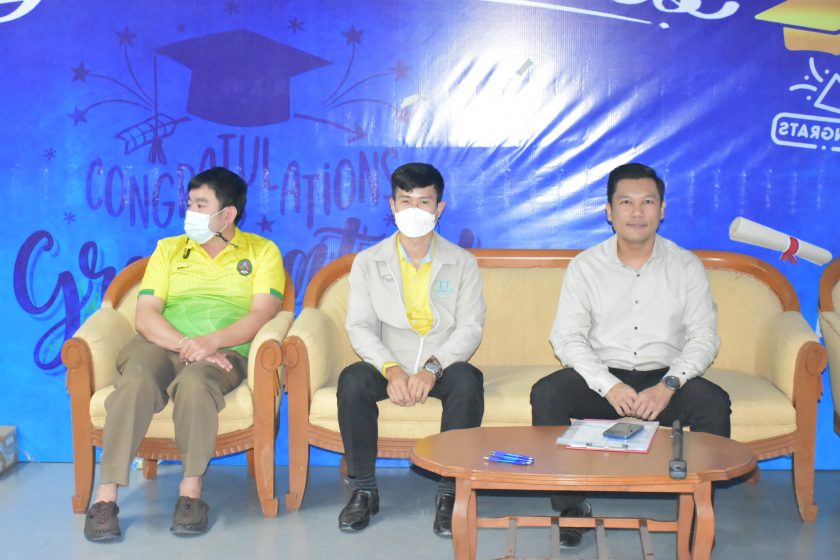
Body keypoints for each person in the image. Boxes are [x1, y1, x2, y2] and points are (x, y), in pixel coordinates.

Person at [530, 162, 731, 548]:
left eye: (647, 202)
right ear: (609, 211)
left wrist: (669, 384)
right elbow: (567, 338)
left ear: (662, 209)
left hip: (665, 378)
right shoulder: (585, 266)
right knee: (548, 393)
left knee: (714, 403)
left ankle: (698, 509)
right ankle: (571, 508)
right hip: (604, 378)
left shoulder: (686, 266)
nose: (637, 212)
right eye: (626, 202)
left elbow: (704, 337)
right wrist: (608, 384)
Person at [83, 167, 285, 541]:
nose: (190, 212)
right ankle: (105, 497)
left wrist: (212, 343)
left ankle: (190, 493)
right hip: (161, 345)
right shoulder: (169, 249)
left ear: (228, 214)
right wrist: (187, 344)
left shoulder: (262, 252)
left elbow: (263, 314)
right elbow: (146, 315)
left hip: (225, 353)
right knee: (136, 380)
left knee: (195, 385)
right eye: (189, 203)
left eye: (200, 205)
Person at [337, 162, 485, 536]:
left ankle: (450, 493)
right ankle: (363, 490)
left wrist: (431, 369)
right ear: (392, 205)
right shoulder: (368, 262)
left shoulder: (463, 263)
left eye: (424, 202)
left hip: (442, 363)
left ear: (439, 208)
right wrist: (391, 369)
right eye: (406, 201)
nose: (414, 210)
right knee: (352, 381)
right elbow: (360, 326)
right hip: (390, 361)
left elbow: (470, 328)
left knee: (468, 381)